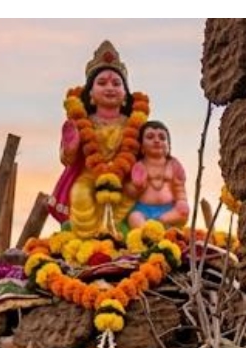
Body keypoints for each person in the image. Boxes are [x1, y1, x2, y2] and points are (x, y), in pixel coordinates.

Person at [49, 40, 143, 238]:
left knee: (132, 193)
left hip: (123, 177)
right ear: (90, 95)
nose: (110, 87)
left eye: (116, 84)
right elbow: (67, 159)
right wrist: (71, 146)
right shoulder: (83, 122)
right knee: (80, 194)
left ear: (125, 96)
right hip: (89, 176)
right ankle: (87, 239)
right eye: (102, 83)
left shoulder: (133, 123)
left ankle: (120, 236)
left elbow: (143, 155)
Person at [127, 120, 190, 229]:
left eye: (162, 138)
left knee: (183, 211)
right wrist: (136, 186)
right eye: (150, 137)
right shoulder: (139, 166)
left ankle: (159, 225)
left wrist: (181, 201)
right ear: (141, 146)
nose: (157, 141)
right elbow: (128, 192)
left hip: (168, 211)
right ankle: (148, 232)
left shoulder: (174, 164)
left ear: (168, 145)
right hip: (143, 210)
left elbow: (179, 188)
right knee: (134, 217)